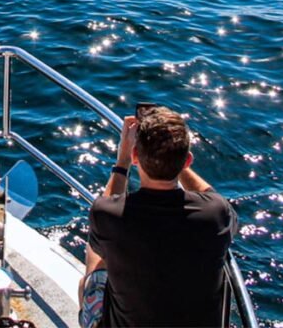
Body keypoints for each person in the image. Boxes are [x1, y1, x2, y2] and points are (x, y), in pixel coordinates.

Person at [79, 106, 238, 328]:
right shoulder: (216, 214)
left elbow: (107, 209)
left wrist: (122, 160)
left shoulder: (107, 215)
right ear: (187, 161)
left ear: (136, 156)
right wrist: (174, 162)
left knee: (94, 265)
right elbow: (211, 195)